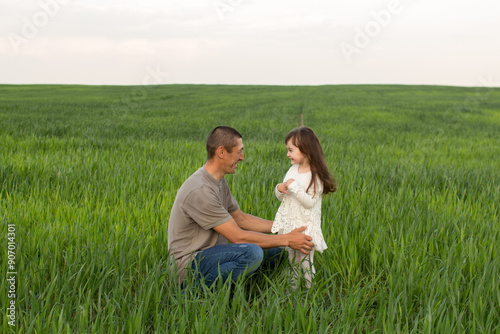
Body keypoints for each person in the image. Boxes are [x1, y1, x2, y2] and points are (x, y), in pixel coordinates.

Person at [167, 126, 314, 289]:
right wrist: (287, 238)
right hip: (190, 265)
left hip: (214, 255)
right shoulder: (199, 190)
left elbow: (241, 219)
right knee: (253, 253)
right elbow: (238, 237)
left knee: (280, 250)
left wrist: (285, 226)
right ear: (221, 152)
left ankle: (242, 286)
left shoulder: (219, 182)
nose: (242, 157)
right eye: (239, 152)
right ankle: (193, 292)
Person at [272, 126, 336, 288]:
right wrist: (279, 189)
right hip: (292, 224)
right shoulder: (292, 170)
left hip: (306, 226)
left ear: (306, 151)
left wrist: (294, 187)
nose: (288, 154)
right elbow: (283, 197)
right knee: (292, 260)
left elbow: (309, 202)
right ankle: (292, 291)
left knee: (306, 262)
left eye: (291, 150)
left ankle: (309, 291)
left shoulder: (315, 176)